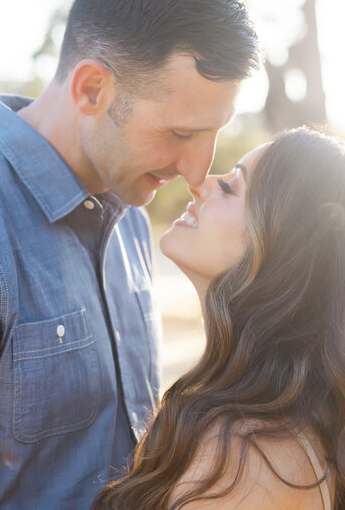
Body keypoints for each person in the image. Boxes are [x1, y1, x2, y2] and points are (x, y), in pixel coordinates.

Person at [0, 0, 258, 509]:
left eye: (213, 134)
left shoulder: (132, 206)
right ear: (92, 90)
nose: (195, 170)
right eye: (182, 133)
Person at [92, 126, 345, 510]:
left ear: (283, 247)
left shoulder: (250, 463)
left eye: (230, 188)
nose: (200, 183)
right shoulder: (257, 423)